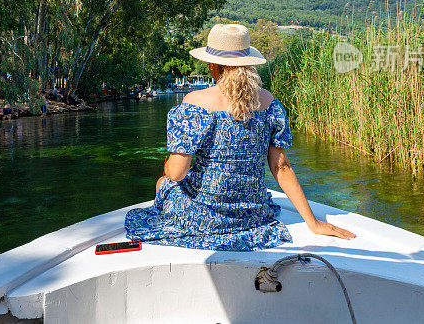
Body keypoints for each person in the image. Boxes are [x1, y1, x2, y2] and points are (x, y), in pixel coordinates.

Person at [125, 23, 355, 250]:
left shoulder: (195, 102)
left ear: (213, 65)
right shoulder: (269, 103)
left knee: (163, 183)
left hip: (204, 217)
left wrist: (167, 168)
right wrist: (313, 223)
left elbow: (177, 173)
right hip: (253, 216)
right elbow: (282, 168)